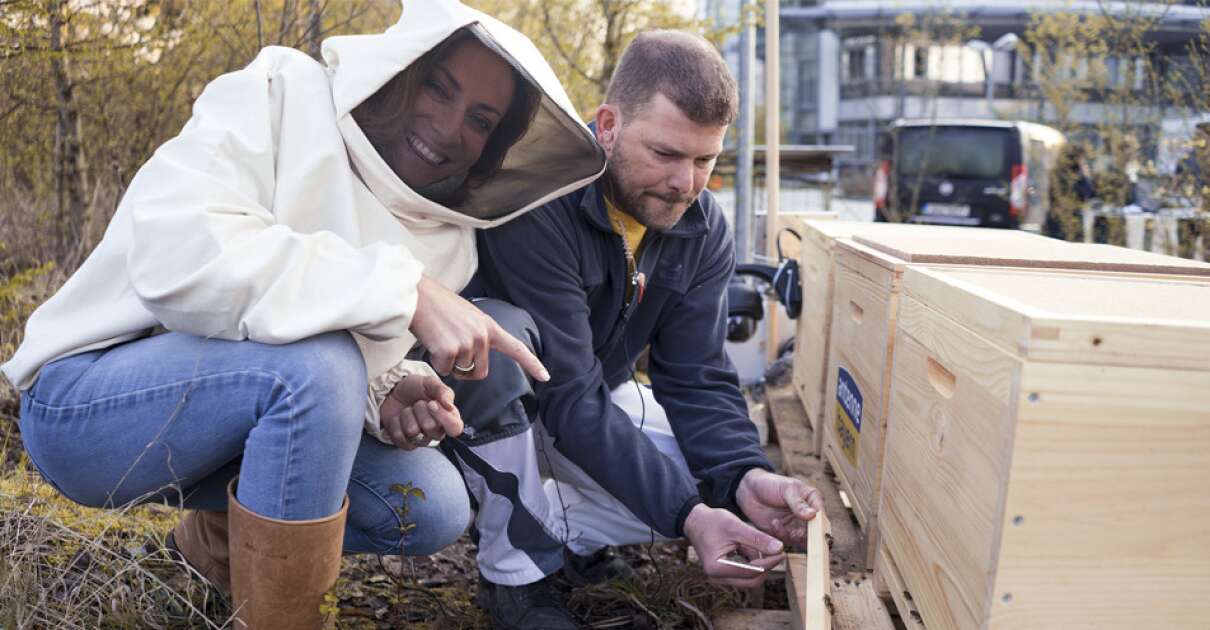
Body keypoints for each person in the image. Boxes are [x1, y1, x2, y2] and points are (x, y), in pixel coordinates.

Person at [0, 1, 604, 628]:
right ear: (399, 71)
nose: (450, 129)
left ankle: (207, 559)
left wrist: (387, 392)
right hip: (84, 407)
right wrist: (408, 291)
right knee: (319, 368)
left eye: (480, 120)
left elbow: (318, 351)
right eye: (438, 87)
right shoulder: (281, 90)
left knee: (430, 504)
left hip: (221, 430)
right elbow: (176, 258)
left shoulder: (449, 241)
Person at [439, 31, 824, 629]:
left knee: (712, 483)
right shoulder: (543, 198)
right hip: (490, 410)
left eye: (706, 160)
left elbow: (697, 378)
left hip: (592, 398)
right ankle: (514, 573)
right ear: (609, 125)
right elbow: (567, 396)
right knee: (501, 339)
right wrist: (689, 518)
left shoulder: (702, 227)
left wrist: (744, 476)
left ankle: (564, 537)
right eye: (666, 154)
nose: (685, 183)